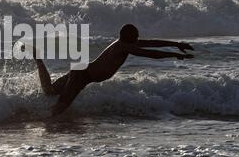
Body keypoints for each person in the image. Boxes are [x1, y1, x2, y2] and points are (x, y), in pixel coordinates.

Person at [34, 24, 194, 116]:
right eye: (136, 36)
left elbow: (152, 43)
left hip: (82, 71)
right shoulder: (124, 47)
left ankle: (38, 59)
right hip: (82, 75)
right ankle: (40, 121)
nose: (138, 38)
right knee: (59, 109)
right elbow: (150, 53)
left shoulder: (124, 43)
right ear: (129, 37)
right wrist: (174, 54)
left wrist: (177, 44)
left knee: (49, 91)